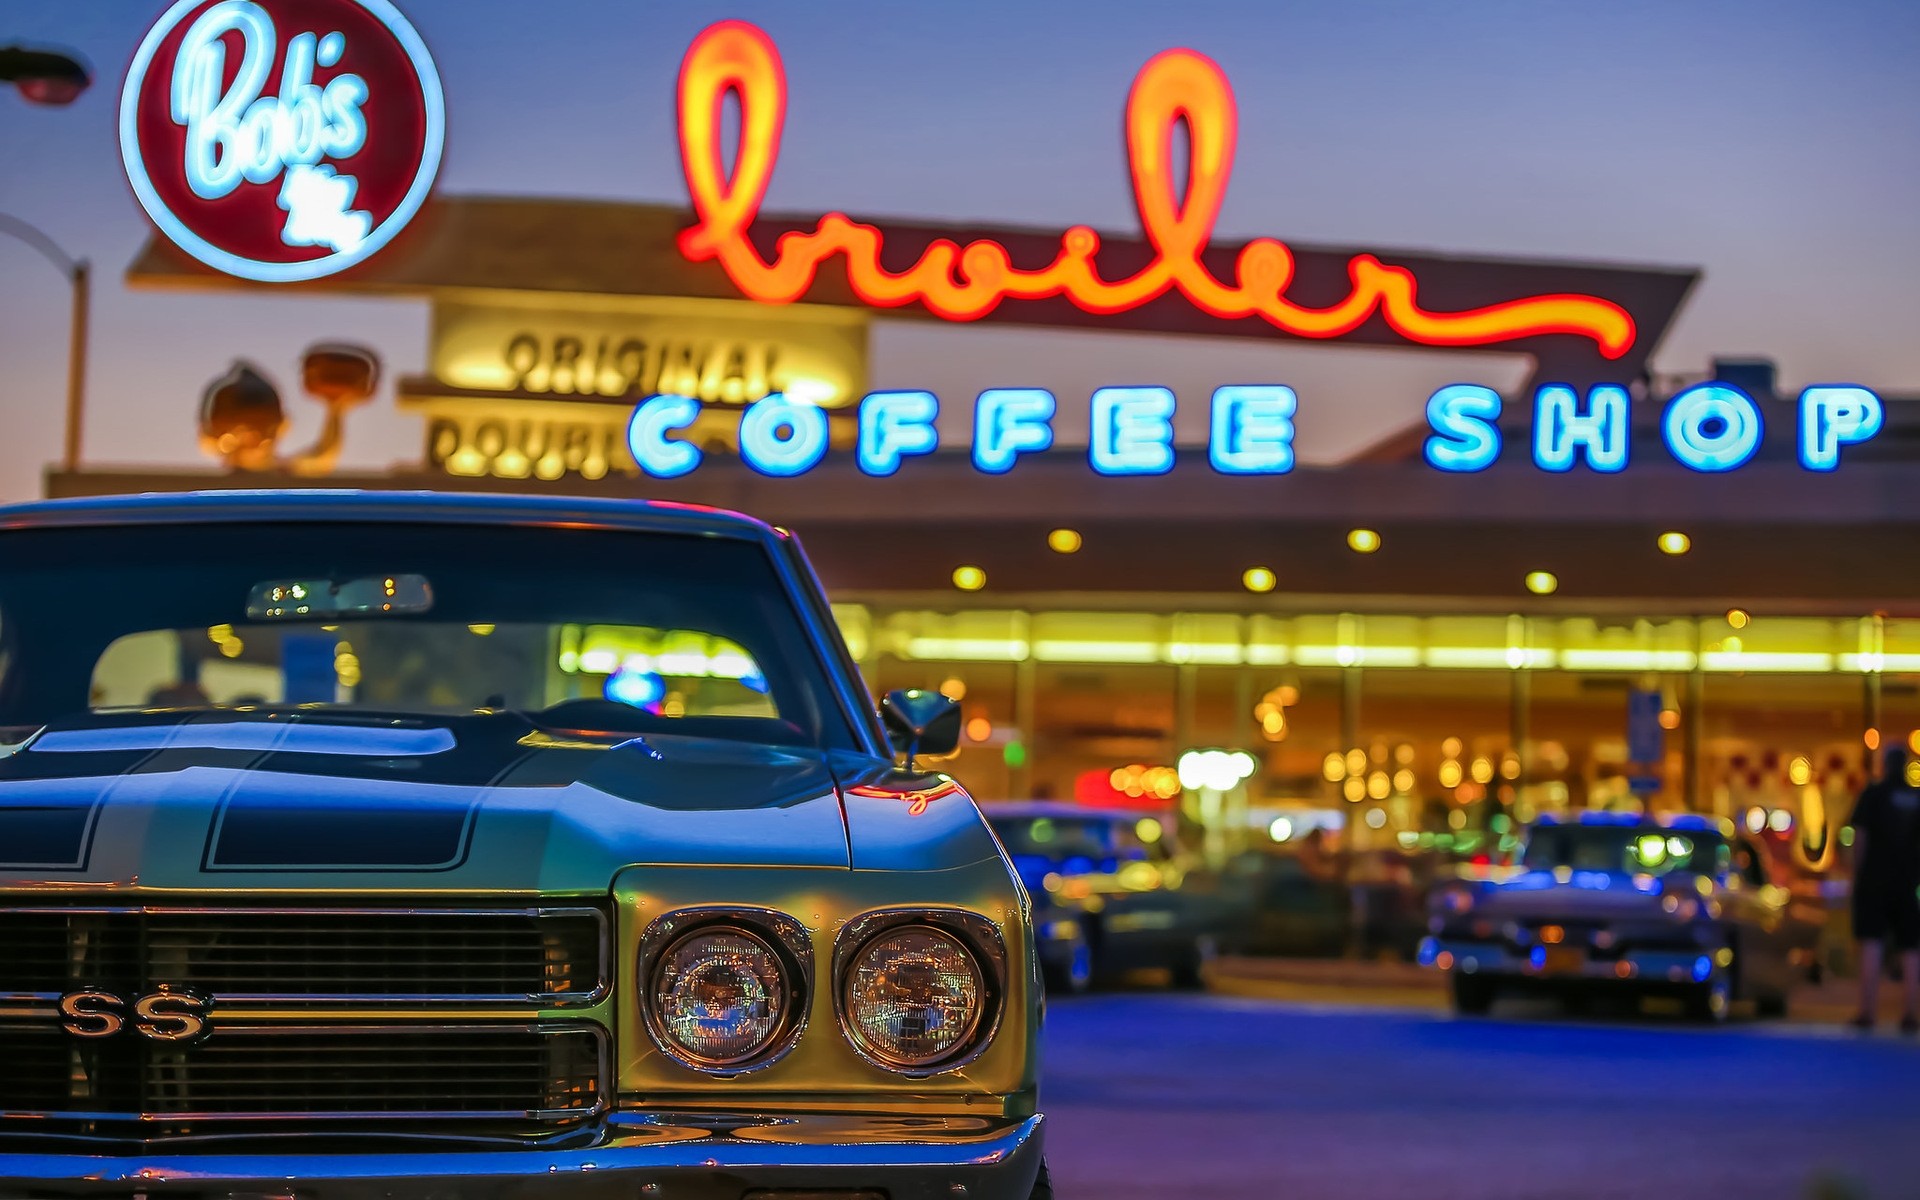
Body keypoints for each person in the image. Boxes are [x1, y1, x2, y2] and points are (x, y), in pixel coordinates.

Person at [1847, 745, 1920, 1033]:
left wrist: (1857, 874)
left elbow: (1860, 838)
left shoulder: (1873, 795)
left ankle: (1867, 1011)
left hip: (1874, 881)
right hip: (1908, 882)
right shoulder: (1916, 797)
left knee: (1871, 943)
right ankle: (1910, 1013)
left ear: (1884, 765)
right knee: (1910, 946)